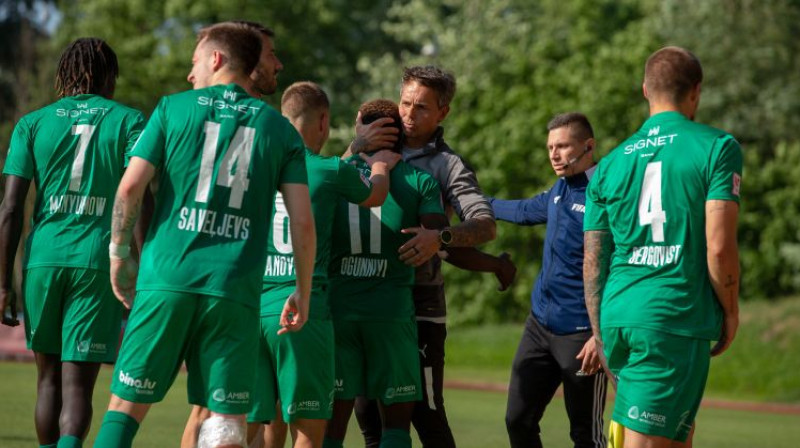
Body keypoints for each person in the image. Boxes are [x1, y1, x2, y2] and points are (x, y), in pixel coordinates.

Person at [93, 22, 316, 448]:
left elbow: (129, 188)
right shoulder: (280, 130)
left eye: (195, 60)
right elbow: (303, 222)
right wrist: (301, 292)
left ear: (215, 59)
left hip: (165, 280)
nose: (189, 72)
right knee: (226, 421)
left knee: (124, 409)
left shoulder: (172, 108)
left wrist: (119, 252)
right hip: (233, 290)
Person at [583, 46, 741, 448]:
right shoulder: (717, 146)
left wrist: (601, 336)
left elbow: (593, 260)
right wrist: (730, 310)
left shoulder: (611, 163)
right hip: (671, 317)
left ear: (644, 90)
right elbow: (719, 247)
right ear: (696, 92)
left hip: (619, 316)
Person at [350, 65, 511, 448]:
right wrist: (355, 146)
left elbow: (486, 225)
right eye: (406, 103)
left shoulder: (447, 165)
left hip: (419, 302)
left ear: (443, 112)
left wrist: (439, 237)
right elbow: (333, 185)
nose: (409, 114)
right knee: (366, 410)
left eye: (422, 107)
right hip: (362, 298)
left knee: (425, 410)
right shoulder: (373, 143)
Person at [0, 38, 143, 448]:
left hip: (42, 262)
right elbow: (139, 199)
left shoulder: (32, 123)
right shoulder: (129, 120)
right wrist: (146, 265)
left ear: (65, 72)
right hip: (96, 263)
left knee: (47, 382)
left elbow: (10, 209)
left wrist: (4, 284)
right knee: (78, 386)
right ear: (109, 76)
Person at [250, 82, 400, 448]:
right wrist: (379, 165)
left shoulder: (257, 166)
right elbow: (375, 194)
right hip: (302, 307)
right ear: (323, 121)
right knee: (309, 428)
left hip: (252, 307)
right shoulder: (327, 169)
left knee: (255, 424)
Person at [489, 112, 607, 448]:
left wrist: (600, 335)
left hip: (582, 336)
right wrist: (474, 204)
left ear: (588, 146)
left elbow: (620, 269)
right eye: (550, 147)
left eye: (563, 146)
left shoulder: (606, 194)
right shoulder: (560, 188)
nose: (554, 154)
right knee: (518, 420)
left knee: (587, 435)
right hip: (539, 328)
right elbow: (525, 211)